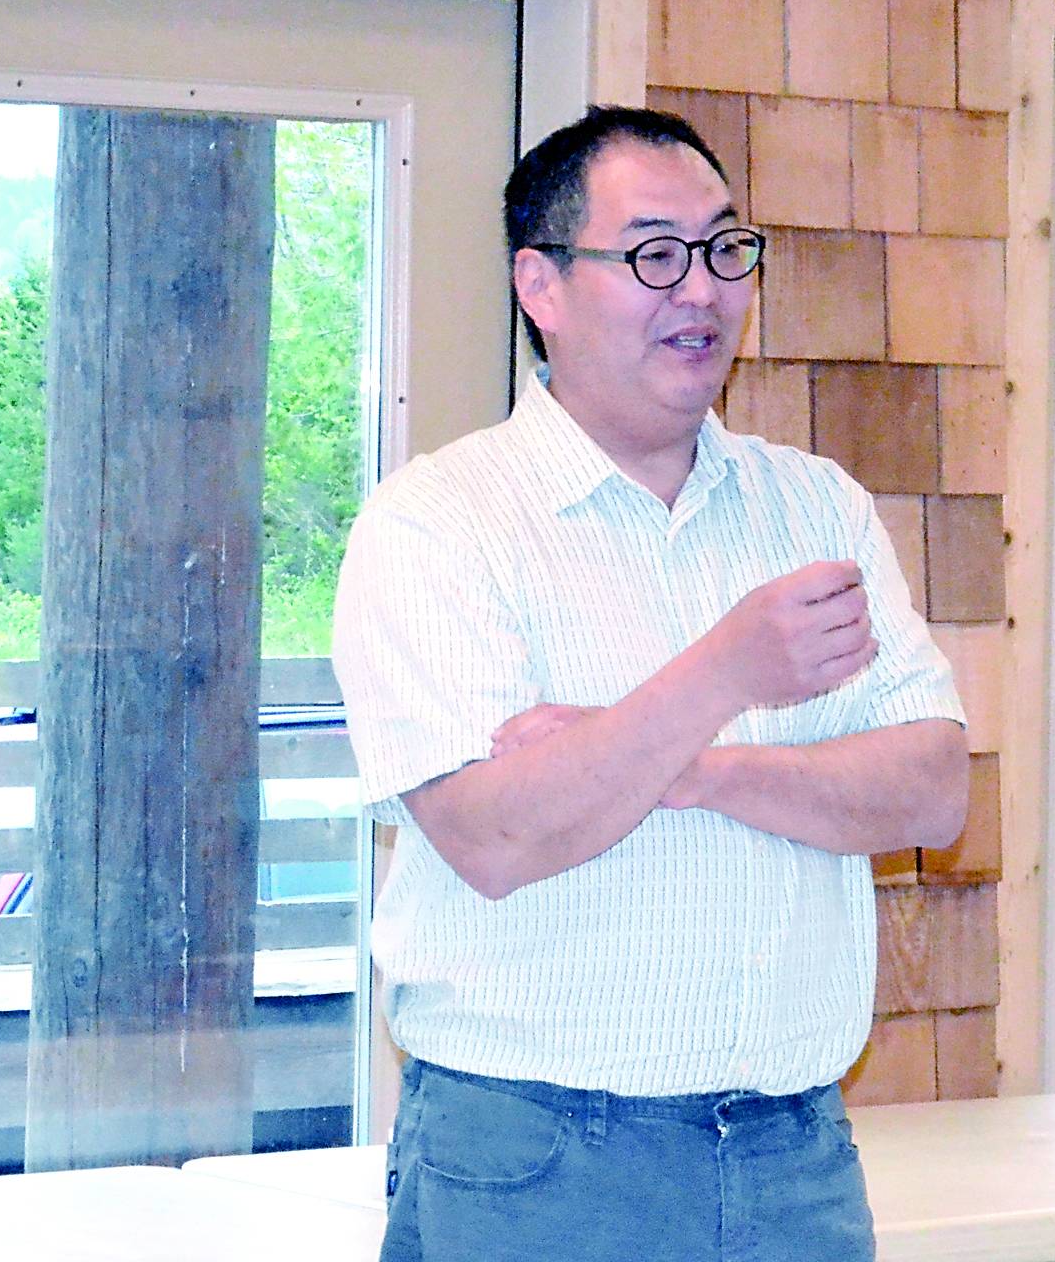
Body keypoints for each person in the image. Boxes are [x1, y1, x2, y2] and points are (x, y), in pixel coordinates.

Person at [333, 104, 970, 1262]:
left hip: (796, 1158)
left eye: (728, 250)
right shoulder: (439, 522)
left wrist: (688, 768)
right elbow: (494, 836)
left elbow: (930, 791)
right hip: (535, 1161)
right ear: (542, 285)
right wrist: (727, 669)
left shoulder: (813, 506)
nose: (703, 292)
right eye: (653, 256)